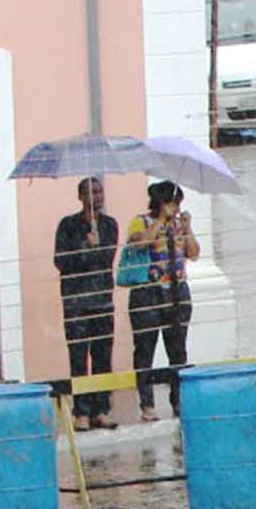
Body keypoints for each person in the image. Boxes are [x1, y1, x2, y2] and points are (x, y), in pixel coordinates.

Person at [125, 181, 200, 422]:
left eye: (178, 203)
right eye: (171, 203)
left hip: (177, 292)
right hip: (148, 292)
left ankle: (177, 399)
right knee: (145, 349)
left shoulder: (179, 225)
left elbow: (193, 253)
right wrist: (159, 221)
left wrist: (187, 228)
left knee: (178, 349)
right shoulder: (142, 221)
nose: (176, 208)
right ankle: (147, 403)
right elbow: (140, 243)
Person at [53, 179, 119, 431]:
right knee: (79, 357)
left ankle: (102, 408)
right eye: (91, 192)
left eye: (100, 191)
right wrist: (84, 247)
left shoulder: (109, 225)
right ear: (80, 196)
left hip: (102, 299)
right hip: (76, 302)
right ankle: (81, 410)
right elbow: (60, 260)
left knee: (103, 355)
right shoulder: (68, 225)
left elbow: (107, 257)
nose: (97, 196)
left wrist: (96, 246)